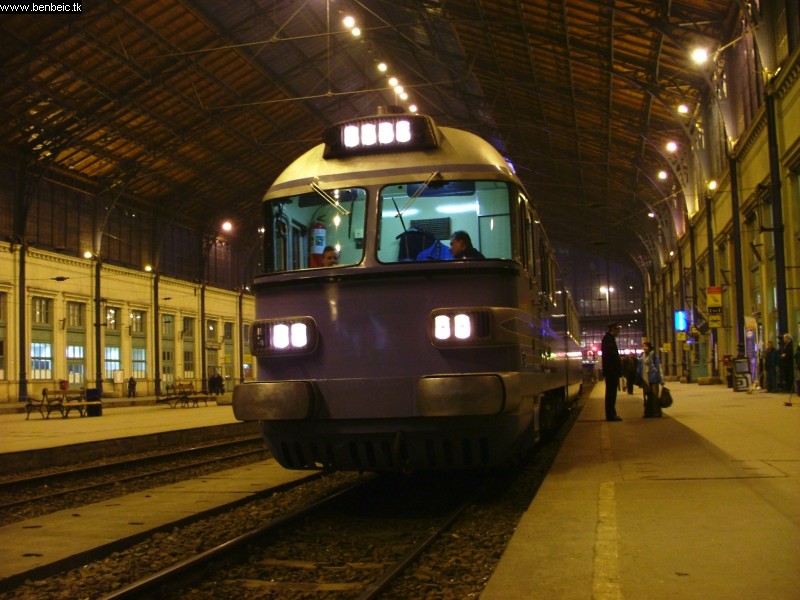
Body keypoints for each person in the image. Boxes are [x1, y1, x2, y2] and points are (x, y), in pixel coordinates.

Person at [601, 322, 622, 421]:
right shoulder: (608, 340)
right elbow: (611, 356)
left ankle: (612, 414)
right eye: (617, 330)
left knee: (611, 393)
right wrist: (618, 359)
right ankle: (611, 415)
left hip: (611, 371)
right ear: (613, 329)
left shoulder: (609, 339)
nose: (618, 332)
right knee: (611, 394)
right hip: (611, 372)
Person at [639, 341, 662, 418]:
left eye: (646, 346)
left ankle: (656, 412)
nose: (644, 348)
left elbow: (659, 368)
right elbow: (639, 369)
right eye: (643, 346)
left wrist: (661, 379)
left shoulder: (654, 357)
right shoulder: (641, 358)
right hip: (645, 379)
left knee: (655, 396)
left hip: (654, 378)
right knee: (647, 396)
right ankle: (649, 412)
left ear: (649, 347)